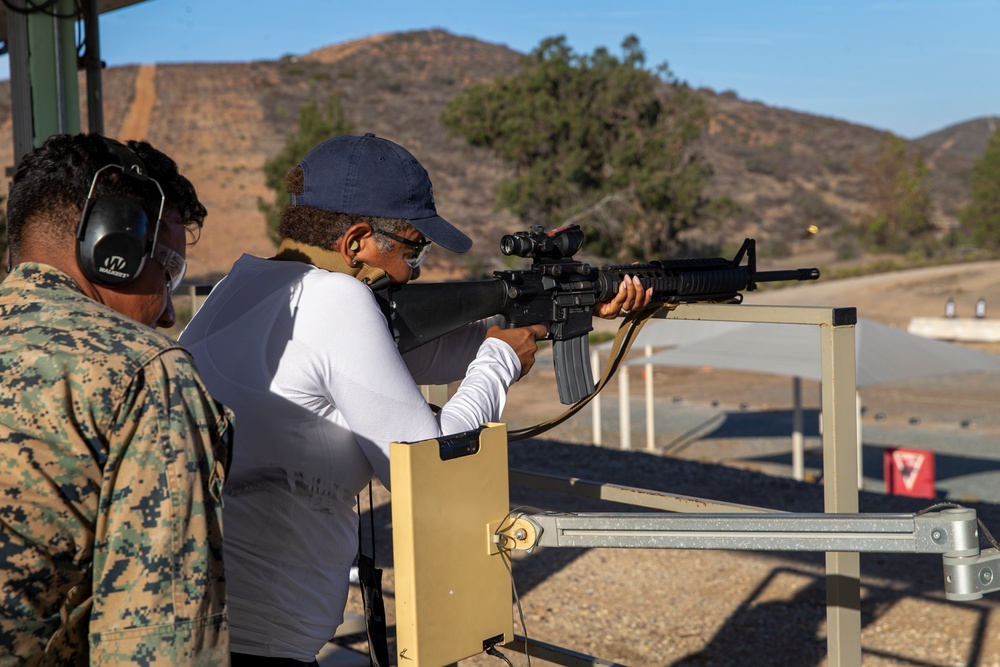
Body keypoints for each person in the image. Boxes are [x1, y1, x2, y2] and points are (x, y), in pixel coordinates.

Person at [178, 132, 650, 664]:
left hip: (207, 627)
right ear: (356, 241)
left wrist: (547, 318)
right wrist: (498, 361)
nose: (414, 270)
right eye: (411, 249)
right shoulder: (338, 299)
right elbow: (430, 474)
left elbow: (404, 360)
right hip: (262, 648)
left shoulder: (240, 287)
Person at [0, 133, 234, 665]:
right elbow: (161, 642)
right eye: (169, 270)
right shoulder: (149, 372)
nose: (170, 314)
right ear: (114, 247)